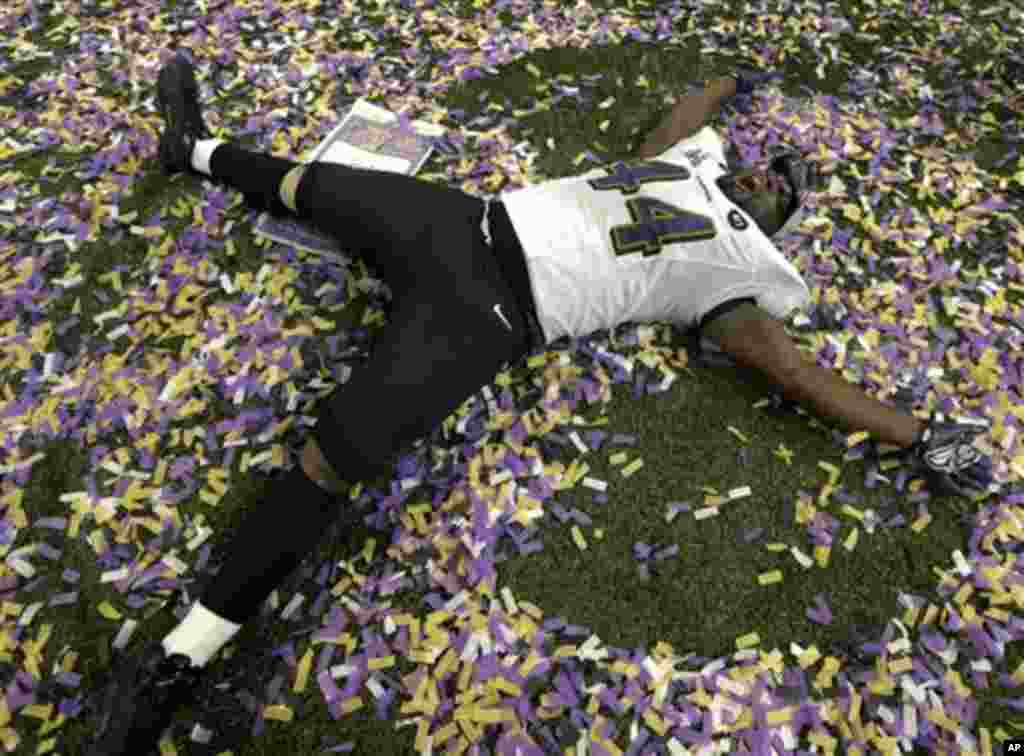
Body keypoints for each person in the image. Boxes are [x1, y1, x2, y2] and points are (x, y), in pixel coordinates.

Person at [86, 52, 994, 755]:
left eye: (781, 188)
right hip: (468, 219)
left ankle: (182, 658)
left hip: (492, 311)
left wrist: (916, 433)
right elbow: (682, 120)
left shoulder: (741, 274)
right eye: (766, 171)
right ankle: (194, 148)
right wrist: (724, 86)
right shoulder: (685, 170)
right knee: (318, 187)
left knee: (334, 457)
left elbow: (796, 372)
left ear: (781, 223)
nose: (765, 179)